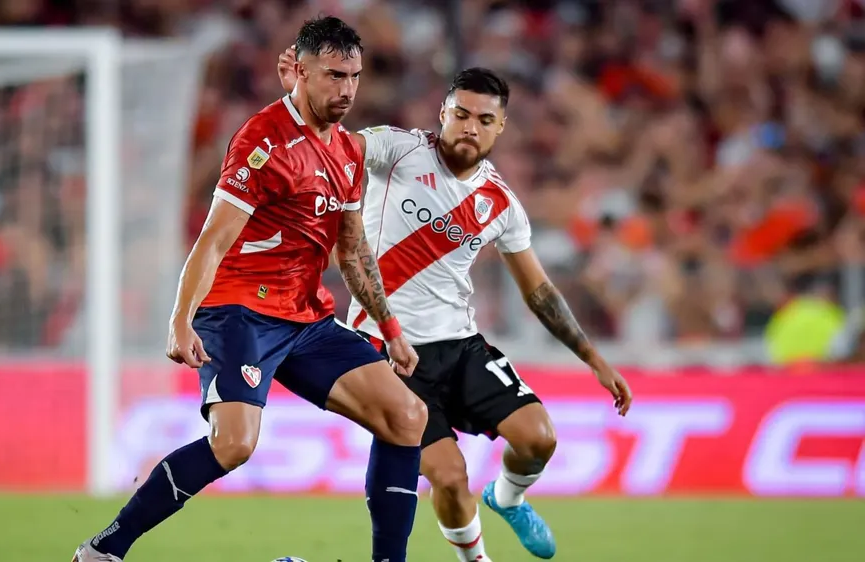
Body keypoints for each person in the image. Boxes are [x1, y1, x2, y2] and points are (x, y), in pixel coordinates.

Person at [73, 17, 428, 562]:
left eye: (355, 76)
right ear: (301, 73)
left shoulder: (350, 152)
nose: (347, 89)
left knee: (407, 416)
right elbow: (213, 240)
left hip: (305, 319)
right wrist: (180, 318)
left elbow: (351, 252)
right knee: (234, 444)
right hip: (239, 310)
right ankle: (104, 551)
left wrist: (391, 330)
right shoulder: (262, 140)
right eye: (334, 75)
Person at [278, 54, 634, 562]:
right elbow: (332, 143)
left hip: (461, 348)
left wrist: (594, 358)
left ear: (500, 127)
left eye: (485, 120)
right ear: (442, 112)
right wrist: (300, 97)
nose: (471, 127)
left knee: (539, 439)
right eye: (461, 114)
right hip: (390, 350)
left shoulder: (501, 203)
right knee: (448, 476)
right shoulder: (396, 150)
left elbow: (539, 291)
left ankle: (508, 497)